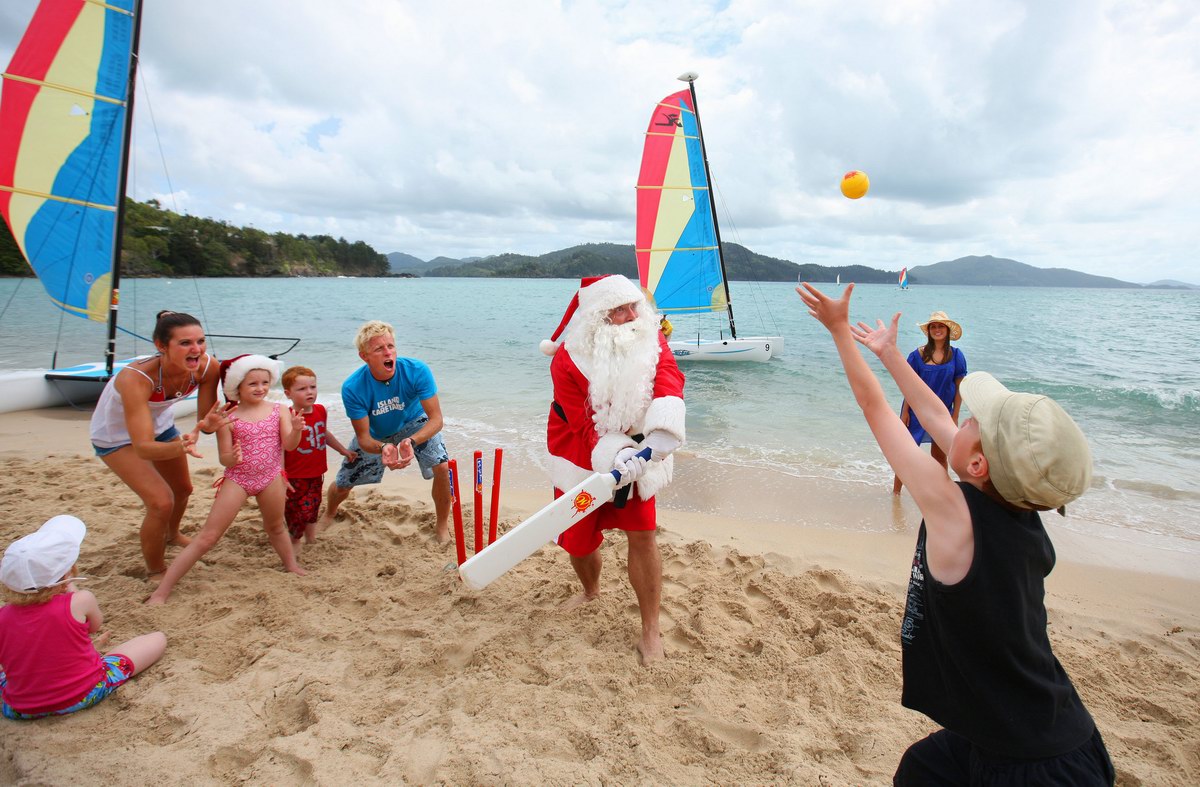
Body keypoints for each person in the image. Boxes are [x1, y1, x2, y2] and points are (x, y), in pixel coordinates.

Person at [796, 282, 1114, 785]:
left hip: (1031, 763)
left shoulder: (955, 514)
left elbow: (877, 410)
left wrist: (839, 331)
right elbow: (932, 414)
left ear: (978, 462)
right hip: (1028, 725)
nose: (960, 418)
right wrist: (890, 353)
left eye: (974, 420)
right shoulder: (1016, 505)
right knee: (919, 771)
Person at [539, 274, 686, 665]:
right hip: (577, 447)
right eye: (617, 310)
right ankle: (590, 591)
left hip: (639, 444)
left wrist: (663, 430)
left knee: (643, 533)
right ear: (596, 319)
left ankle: (650, 631)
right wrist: (612, 453)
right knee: (579, 538)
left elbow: (669, 379)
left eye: (632, 306)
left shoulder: (651, 335)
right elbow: (581, 423)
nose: (628, 316)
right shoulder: (567, 360)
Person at [147, 355, 306, 605]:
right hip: (238, 479)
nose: (260, 388)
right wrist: (232, 457)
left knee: (276, 527)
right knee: (208, 537)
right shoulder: (228, 417)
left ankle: (291, 566)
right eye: (253, 383)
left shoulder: (280, 410)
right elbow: (225, 460)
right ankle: (162, 591)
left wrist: (296, 429)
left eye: (265, 382)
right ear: (237, 387)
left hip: (272, 476)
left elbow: (289, 445)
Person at [89, 310, 232, 581]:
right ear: (161, 346)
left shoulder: (207, 367)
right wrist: (180, 447)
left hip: (160, 426)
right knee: (160, 502)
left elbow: (205, 421)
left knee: (183, 489)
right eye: (185, 343)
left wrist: (212, 424)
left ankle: (172, 534)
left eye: (201, 341)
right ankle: (156, 570)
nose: (196, 349)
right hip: (115, 438)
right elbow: (143, 447)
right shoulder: (136, 378)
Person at [0, 515, 166, 720]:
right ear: (66, 573)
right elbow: (93, 626)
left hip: (19, 708)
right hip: (83, 694)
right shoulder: (80, 600)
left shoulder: (3, 616)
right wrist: (67, 582)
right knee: (157, 638)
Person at [318, 321, 450, 542]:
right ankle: (330, 512)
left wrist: (412, 441)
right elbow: (363, 438)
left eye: (390, 346)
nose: (388, 352)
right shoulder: (353, 387)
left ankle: (442, 526)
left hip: (414, 423)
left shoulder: (416, 370)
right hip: (376, 433)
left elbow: (436, 420)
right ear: (364, 356)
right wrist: (384, 447)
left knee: (443, 467)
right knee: (343, 483)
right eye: (379, 349)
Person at [280, 366, 357, 555]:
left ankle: (311, 537)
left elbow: (323, 433)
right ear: (288, 393)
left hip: (316, 471)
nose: (309, 392)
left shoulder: (321, 410)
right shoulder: (286, 417)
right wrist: (280, 474)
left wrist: (342, 450)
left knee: (313, 506)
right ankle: (295, 539)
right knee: (296, 511)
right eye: (302, 389)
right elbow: (281, 447)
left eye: (312, 387)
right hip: (295, 474)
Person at [893, 311, 967, 495]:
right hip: (916, 410)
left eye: (940, 326)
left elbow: (959, 389)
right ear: (929, 331)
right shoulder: (917, 356)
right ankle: (896, 495)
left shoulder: (956, 356)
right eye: (933, 326)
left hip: (942, 413)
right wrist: (905, 412)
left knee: (940, 456)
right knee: (906, 455)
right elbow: (908, 385)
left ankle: (942, 493)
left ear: (948, 330)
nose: (937, 329)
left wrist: (955, 415)